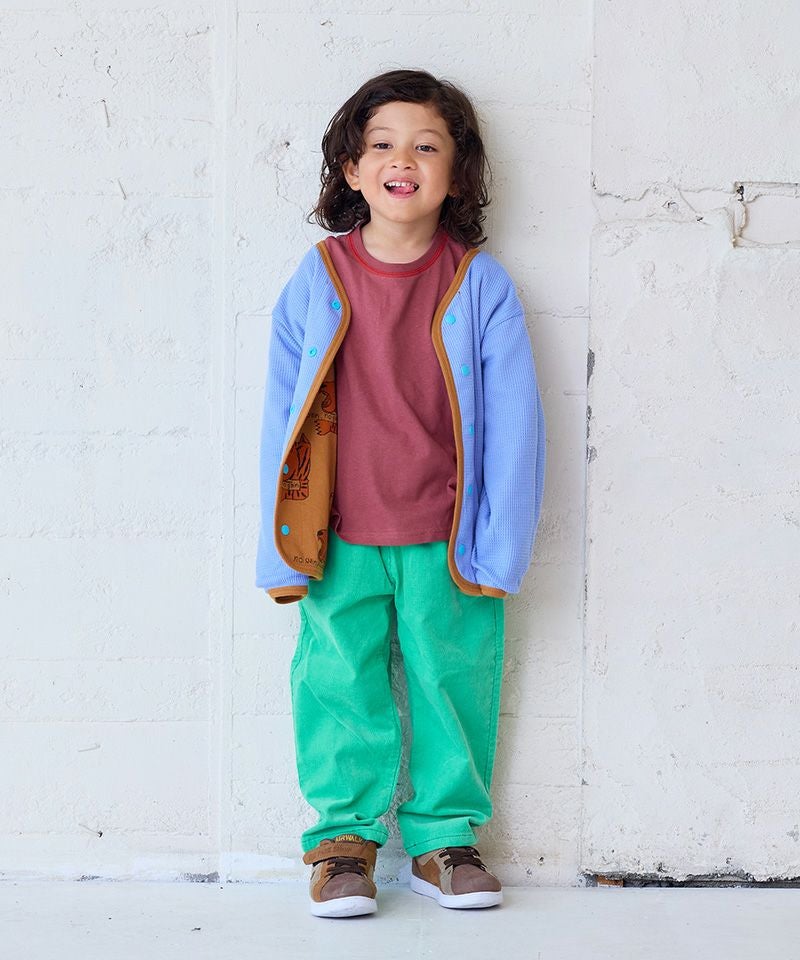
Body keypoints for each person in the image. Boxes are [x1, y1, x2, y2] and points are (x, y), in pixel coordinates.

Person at [256, 68, 546, 918]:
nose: (403, 160)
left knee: (453, 683)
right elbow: (280, 416)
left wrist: (501, 547)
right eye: (381, 144)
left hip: (448, 537)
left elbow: (519, 425)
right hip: (337, 535)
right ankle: (341, 843)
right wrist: (279, 546)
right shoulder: (318, 277)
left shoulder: (480, 283)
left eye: (427, 146)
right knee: (336, 684)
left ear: (457, 174)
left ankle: (445, 839)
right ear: (351, 169)